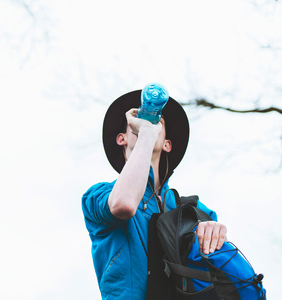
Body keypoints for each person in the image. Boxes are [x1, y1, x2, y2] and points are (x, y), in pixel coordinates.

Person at [82, 90, 227, 299]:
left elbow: (217, 272)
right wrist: (147, 136)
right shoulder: (98, 196)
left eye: (155, 123)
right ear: (121, 138)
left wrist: (215, 231)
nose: (146, 124)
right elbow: (124, 205)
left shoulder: (195, 210)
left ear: (167, 144)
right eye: (137, 121)